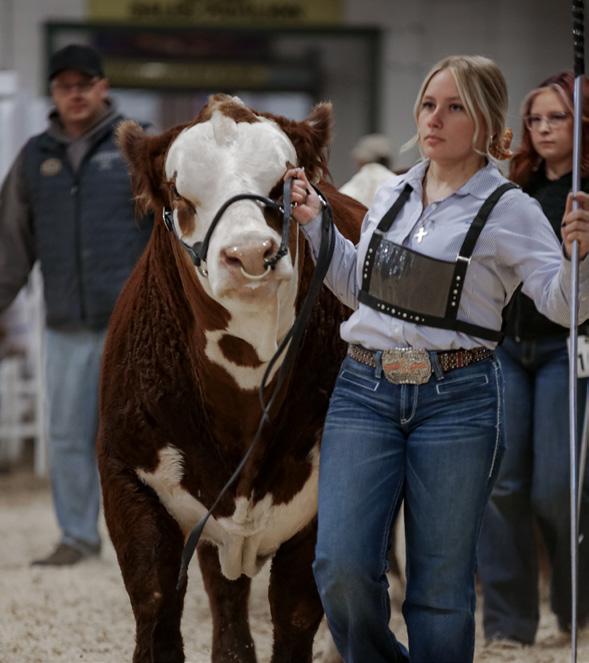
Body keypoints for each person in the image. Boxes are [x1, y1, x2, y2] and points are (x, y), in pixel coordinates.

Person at [284, 55, 589, 662]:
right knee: (340, 567)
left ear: (486, 120)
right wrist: (318, 225)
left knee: (441, 590)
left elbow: (564, 307)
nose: (435, 119)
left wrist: (579, 257)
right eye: (428, 105)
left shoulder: (511, 209)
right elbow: (359, 288)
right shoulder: (393, 191)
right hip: (364, 389)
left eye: (454, 107)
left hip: (459, 400)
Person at [0, 44, 152, 565]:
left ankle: (149, 541)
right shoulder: (34, 157)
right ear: (54, 93)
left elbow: (171, 231)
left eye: (85, 84)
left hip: (131, 325)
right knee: (66, 434)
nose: (76, 94)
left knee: (139, 435)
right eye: (65, 86)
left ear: (102, 87)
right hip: (64, 324)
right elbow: (10, 244)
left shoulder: (137, 145)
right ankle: (78, 538)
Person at [478, 71, 589, 646]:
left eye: (557, 118)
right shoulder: (515, 188)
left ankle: (575, 610)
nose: (543, 129)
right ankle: (508, 622)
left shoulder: (585, 196)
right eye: (535, 119)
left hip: (566, 349)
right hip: (506, 348)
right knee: (501, 485)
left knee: (558, 488)